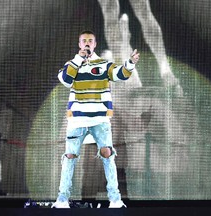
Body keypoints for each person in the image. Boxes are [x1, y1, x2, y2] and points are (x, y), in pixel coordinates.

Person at [51, 30, 140, 208]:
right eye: (84, 41)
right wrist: (78, 59)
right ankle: (62, 199)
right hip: (77, 121)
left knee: (108, 157)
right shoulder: (72, 64)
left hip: (100, 120)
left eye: (90, 41)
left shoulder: (104, 64)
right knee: (70, 157)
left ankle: (115, 199)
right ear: (79, 44)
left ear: (95, 44)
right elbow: (66, 80)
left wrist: (129, 64)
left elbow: (121, 74)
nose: (87, 43)